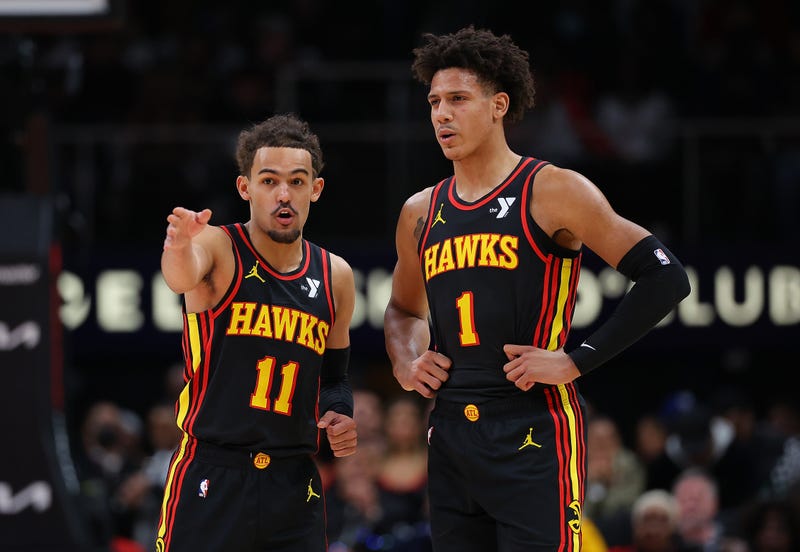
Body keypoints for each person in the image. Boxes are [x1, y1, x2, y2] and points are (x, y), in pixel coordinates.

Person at [383, 26, 691, 551]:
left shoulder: (552, 190)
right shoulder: (420, 211)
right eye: (434, 101)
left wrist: (575, 360)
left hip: (533, 425)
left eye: (458, 99)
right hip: (452, 429)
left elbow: (666, 277)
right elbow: (401, 310)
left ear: (499, 104)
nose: (441, 114)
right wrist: (406, 360)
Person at [155, 113, 358, 551]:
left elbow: (335, 378)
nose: (283, 195)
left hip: (294, 480)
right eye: (269, 181)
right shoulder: (217, 247)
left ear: (315, 190)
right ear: (245, 188)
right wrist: (177, 245)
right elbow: (180, 277)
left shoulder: (335, 274)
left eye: (298, 182)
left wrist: (341, 414)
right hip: (213, 471)